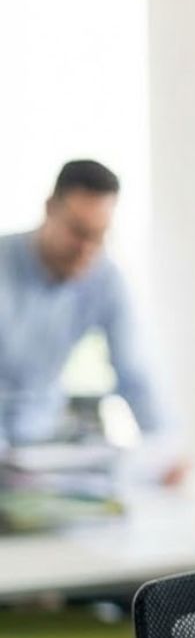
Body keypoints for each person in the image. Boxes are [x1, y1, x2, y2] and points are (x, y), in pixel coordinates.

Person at [0, 160, 173, 458]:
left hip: (42, 444)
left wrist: (166, 450)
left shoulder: (105, 278)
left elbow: (134, 373)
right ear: (50, 209)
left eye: (99, 235)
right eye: (78, 232)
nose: (87, 249)